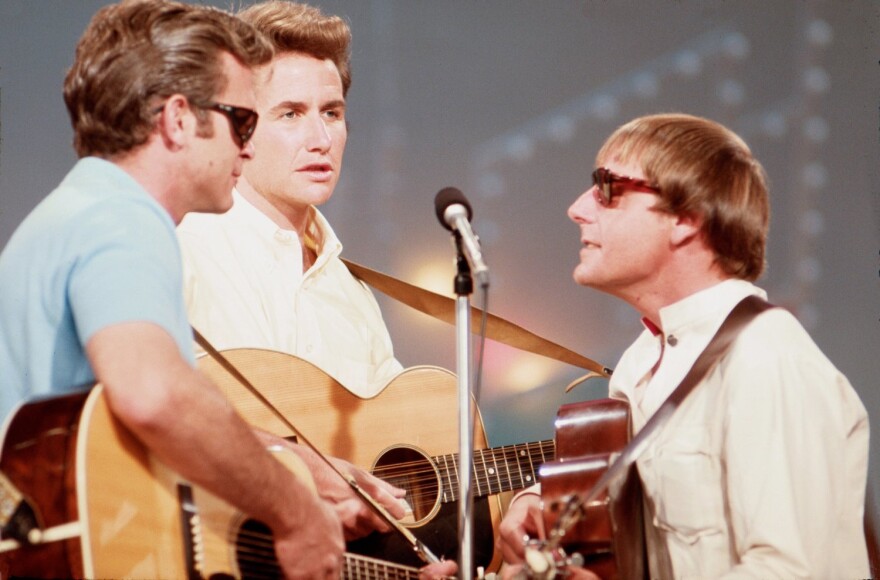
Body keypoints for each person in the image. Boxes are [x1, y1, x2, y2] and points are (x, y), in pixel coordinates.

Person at [0, 1, 349, 577]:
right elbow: (155, 393)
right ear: (179, 119)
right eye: (243, 120)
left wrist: (301, 466)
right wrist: (296, 514)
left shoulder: (85, 208)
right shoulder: (122, 216)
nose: (248, 144)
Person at [497, 113, 870, 578]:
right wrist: (534, 503)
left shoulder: (766, 359)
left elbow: (789, 571)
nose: (578, 207)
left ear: (685, 220)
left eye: (608, 188)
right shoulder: (641, 362)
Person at [174, 1, 459, 575]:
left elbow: (383, 477)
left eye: (332, 112)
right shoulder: (181, 244)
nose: (320, 137)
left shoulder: (351, 294)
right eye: (290, 114)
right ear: (239, 128)